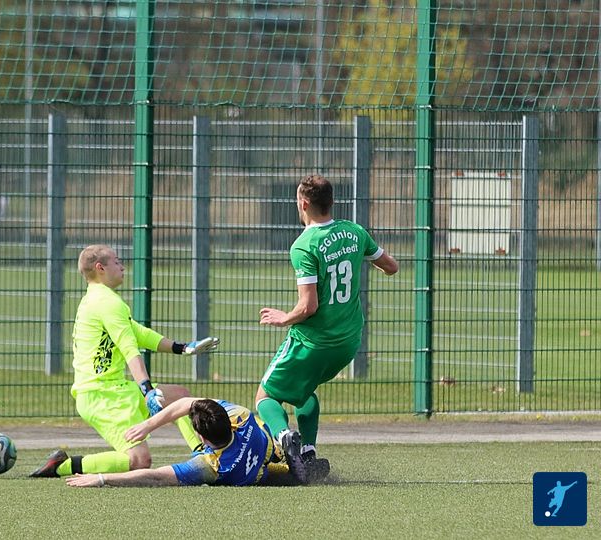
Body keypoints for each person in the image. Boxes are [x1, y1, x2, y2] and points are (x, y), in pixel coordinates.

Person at [30, 244, 220, 478]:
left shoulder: (101, 299)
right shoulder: (106, 302)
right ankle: (62, 466)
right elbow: (129, 349)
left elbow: (138, 333)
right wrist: (147, 390)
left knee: (180, 397)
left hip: (114, 390)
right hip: (102, 396)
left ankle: (203, 456)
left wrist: (182, 348)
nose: (122, 266)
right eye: (117, 261)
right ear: (100, 268)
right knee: (139, 461)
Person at [256, 174, 398, 483]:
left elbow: (308, 307)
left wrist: (284, 318)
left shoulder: (304, 245)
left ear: (303, 203)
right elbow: (391, 266)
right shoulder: (355, 232)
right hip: (347, 342)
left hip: (313, 341)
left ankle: (284, 438)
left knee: (265, 396)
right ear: (331, 202)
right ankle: (308, 454)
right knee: (304, 391)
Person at [63, 397, 327, 487]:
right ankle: (297, 458)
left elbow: (154, 476)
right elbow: (188, 404)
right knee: (276, 454)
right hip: (265, 446)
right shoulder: (240, 415)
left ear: (203, 438)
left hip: (261, 472)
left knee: (277, 475)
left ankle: (295, 471)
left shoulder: (212, 466)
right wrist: (148, 425)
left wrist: (102, 478)